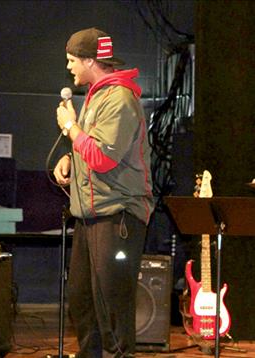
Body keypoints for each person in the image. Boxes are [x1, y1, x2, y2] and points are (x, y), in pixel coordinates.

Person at [53, 27, 154, 357]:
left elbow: (102, 157)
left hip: (117, 217)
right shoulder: (98, 95)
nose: (69, 68)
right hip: (90, 216)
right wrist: (70, 159)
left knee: (112, 309)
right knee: (83, 303)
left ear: (89, 60)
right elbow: (93, 147)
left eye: (72, 61)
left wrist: (70, 127)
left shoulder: (120, 99)